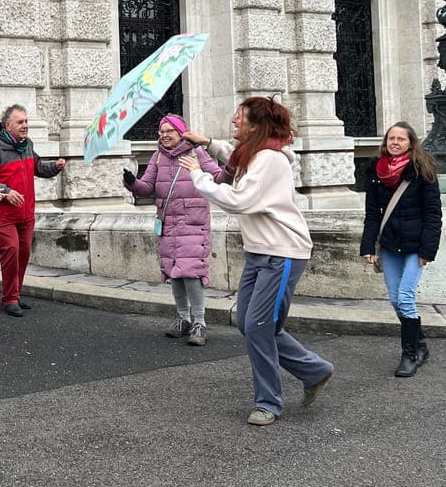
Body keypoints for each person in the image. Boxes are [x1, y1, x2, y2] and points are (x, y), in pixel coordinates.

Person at [180, 97, 333, 427]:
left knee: (261, 327)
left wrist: (198, 176)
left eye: (239, 117)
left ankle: (269, 402)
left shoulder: (268, 159)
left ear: (255, 125)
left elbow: (240, 200)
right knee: (249, 323)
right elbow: (234, 162)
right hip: (259, 253)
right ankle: (314, 370)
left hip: (282, 253)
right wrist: (206, 143)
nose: (234, 121)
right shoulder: (252, 154)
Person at [124, 114, 223, 344]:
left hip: (192, 221)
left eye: (170, 131)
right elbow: (147, 188)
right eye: (161, 132)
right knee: (174, 273)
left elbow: (218, 177)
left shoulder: (196, 152)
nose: (165, 135)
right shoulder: (157, 156)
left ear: (181, 132)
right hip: (168, 221)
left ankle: (200, 322)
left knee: (191, 272)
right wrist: (131, 183)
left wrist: (231, 167)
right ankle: (182, 318)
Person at [359, 121, 443, 378]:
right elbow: (372, 214)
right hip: (389, 244)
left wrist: (428, 250)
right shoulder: (376, 170)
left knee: (405, 298)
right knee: (396, 300)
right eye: (390, 138)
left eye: (401, 139)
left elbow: (433, 214)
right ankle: (420, 345)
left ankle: (409, 355)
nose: (394, 143)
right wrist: (368, 245)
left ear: (410, 143)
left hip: (415, 245)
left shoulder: (422, 169)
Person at [0, 104, 65, 316]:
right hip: (3, 214)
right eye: (20, 122)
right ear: (8, 125)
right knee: (11, 252)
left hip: (26, 214)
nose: (25, 126)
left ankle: (15, 294)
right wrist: (5, 191)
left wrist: (55, 167)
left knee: (23, 254)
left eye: (26, 122)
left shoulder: (27, 145)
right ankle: (9, 299)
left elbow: (38, 167)